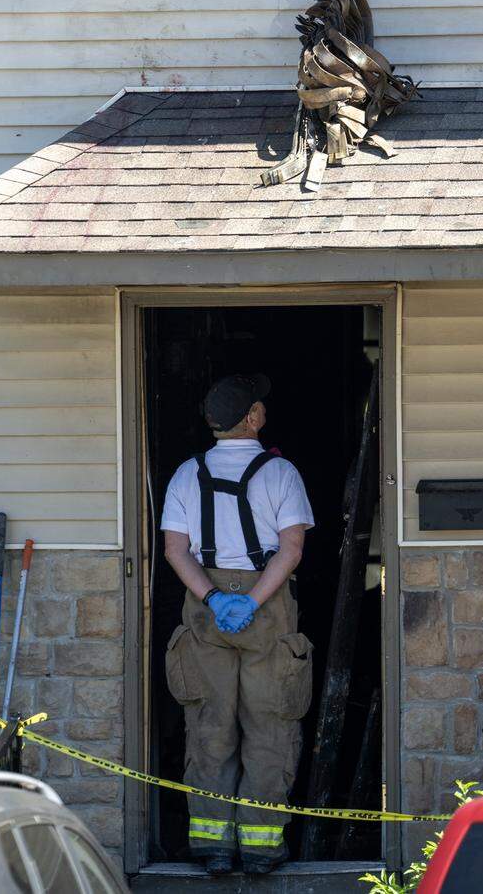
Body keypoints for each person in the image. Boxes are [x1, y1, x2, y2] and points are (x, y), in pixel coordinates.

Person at [160, 372, 315, 876]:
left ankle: (213, 848)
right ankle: (261, 847)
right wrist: (251, 600)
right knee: (270, 723)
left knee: (210, 725)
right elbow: (290, 550)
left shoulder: (186, 473)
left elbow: (174, 551)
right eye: (260, 407)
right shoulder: (281, 473)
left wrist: (210, 597)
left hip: (205, 609)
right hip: (266, 606)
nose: (264, 413)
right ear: (250, 418)